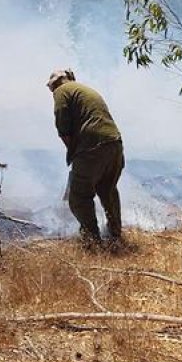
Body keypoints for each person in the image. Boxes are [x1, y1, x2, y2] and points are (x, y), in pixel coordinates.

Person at [46, 69, 124, 246]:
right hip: (114, 142)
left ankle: (92, 240)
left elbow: (62, 123)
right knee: (108, 190)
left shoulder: (62, 91)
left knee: (79, 196)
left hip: (91, 145)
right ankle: (115, 236)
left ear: (56, 83)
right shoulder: (85, 90)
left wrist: (74, 150)